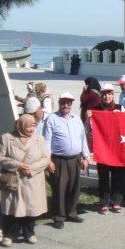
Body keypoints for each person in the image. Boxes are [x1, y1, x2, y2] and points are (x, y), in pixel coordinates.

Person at [0, 115, 50, 247]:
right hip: (14, 181)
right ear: (20, 125)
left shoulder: (39, 139)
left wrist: (31, 168)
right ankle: (8, 235)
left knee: (31, 208)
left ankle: (29, 233)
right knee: (11, 208)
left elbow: (45, 158)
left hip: (33, 180)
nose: (32, 129)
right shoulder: (7, 138)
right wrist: (17, 165)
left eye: (33, 125)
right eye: (28, 126)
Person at [43, 92, 90, 230]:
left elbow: (82, 139)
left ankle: (71, 213)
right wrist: (48, 161)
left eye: (69, 103)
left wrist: (85, 157)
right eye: (63, 102)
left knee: (74, 188)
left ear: (71, 104)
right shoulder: (52, 119)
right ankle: (59, 216)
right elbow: (47, 141)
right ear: (59, 103)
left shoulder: (76, 118)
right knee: (59, 189)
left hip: (75, 159)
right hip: (59, 160)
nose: (66, 105)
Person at [86, 84, 125, 214]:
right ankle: (104, 202)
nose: (107, 96)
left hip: (117, 148)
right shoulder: (94, 110)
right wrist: (88, 118)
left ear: (113, 95)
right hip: (102, 148)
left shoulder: (120, 108)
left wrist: (120, 117)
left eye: (109, 94)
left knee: (117, 176)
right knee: (103, 176)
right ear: (101, 96)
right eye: (104, 94)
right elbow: (88, 131)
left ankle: (116, 202)